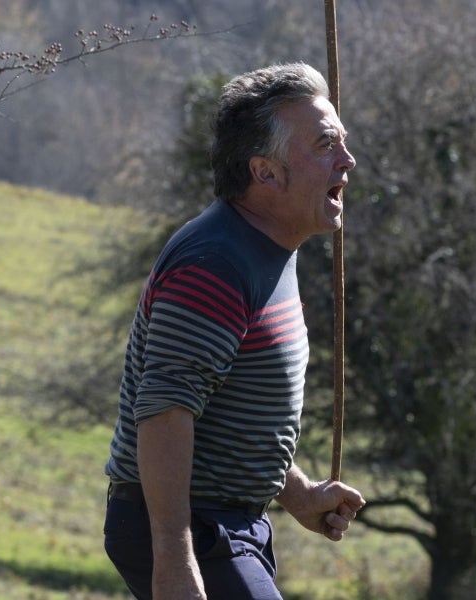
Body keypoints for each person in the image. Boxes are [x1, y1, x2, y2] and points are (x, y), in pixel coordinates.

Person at [103, 62, 365, 600]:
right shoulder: (216, 263)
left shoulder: (268, 249)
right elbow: (166, 411)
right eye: (325, 145)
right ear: (265, 173)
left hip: (226, 524)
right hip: (192, 529)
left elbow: (229, 414)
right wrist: (174, 562)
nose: (347, 159)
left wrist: (299, 494)